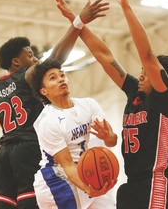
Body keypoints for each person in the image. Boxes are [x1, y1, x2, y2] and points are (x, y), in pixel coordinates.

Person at [0, 0, 109, 209]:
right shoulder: (26, 75)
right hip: (28, 148)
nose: (35, 59)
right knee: (29, 202)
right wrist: (78, 22)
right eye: (30, 54)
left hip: (3, 154)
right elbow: (55, 58)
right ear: (16, 62)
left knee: (2, 203)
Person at [51, 0, 168, 208]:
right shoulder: (135, 92)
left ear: (162, 79)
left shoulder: (167, 102)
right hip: (130, 186)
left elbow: (148, 55)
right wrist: (76, 21)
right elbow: (104, 55)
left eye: (146, 73)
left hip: (154, 184)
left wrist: (125, 7)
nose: (141, 75)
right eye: (141, 71)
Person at [31, 57, 118, 208]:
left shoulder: (89, 105)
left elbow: (112, 141)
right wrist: (90, 190)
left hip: (86, 172)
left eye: (62, 75)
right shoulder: (48, 121)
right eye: (53, 78)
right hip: (58, 179)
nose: (60, 79)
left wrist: (108, 136)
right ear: (44, 91)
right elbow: (68, 165)